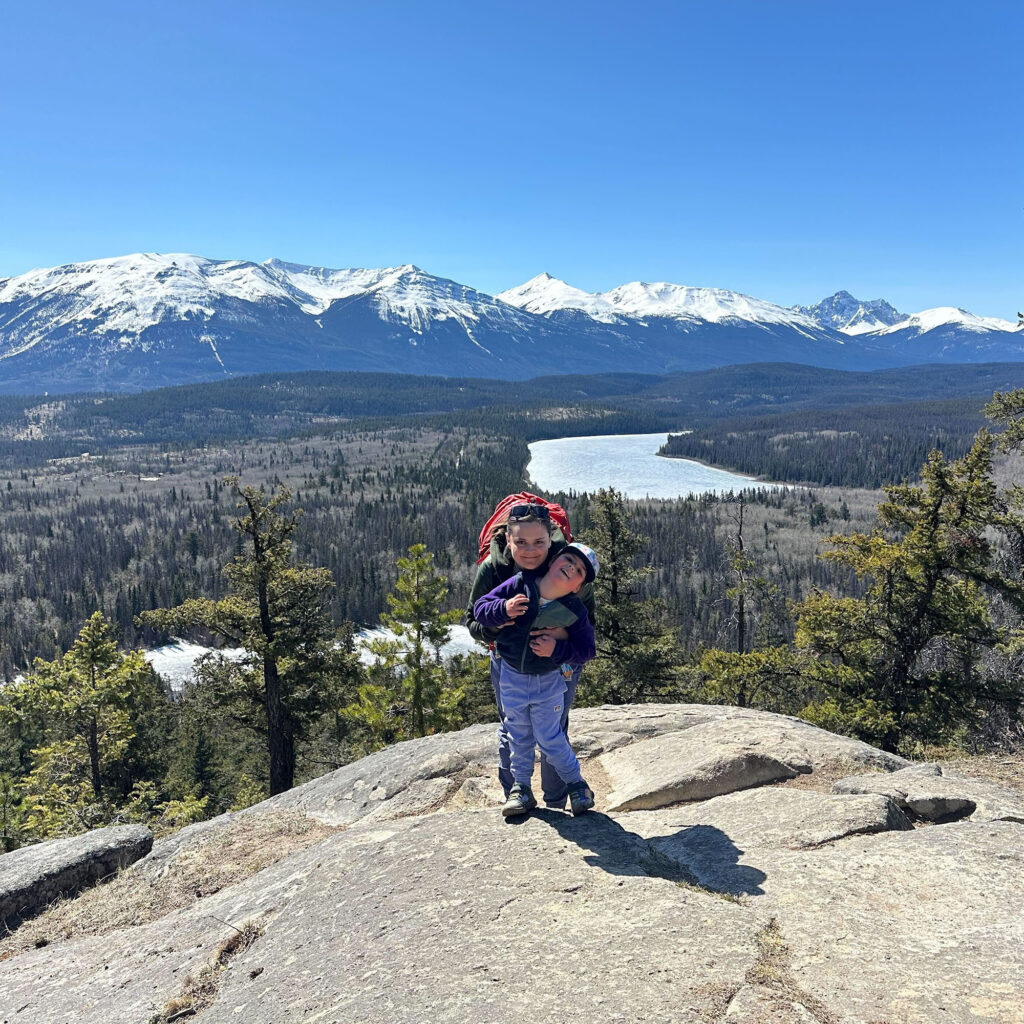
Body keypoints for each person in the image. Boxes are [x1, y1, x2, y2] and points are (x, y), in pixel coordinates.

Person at [464, 503, 595, 809]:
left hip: (557, 666)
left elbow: (587, 633)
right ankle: (517, 792)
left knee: (553, 731)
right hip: (509, 663)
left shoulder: (569, 567)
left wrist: (560, 644)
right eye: (521, 542)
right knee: (513, 728)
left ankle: (557, 799)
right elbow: (474, 619)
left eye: (538, 542)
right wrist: (501, 623)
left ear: (551, 540)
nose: (531, 550)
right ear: (508, 539)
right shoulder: (498, 571)